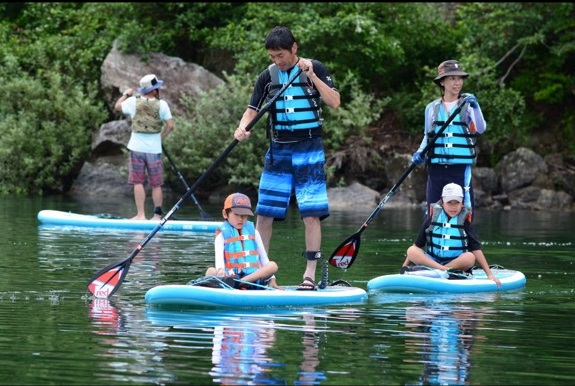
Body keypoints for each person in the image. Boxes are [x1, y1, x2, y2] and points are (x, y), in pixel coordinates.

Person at [233, 25, 341, 291]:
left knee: (311, 214)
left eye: (281, 55)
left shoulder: (315, 68)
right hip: (278, 150)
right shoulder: (267, 77)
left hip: (308, 149)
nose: (277, 61)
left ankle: (309, 275)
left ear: (294, 48)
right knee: (264, 213)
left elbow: (334, 101)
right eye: (272, 56)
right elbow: (251, 110)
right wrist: (242, 127)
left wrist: (312, 76)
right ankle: (261, 272)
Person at [411, 60, 486, 221]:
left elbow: (480, 128)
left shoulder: (468, 104)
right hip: (436, 168)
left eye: (459, 78)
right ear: (442, 82)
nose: (457, 82)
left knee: (464, 213)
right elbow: (427, 135)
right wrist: (419, 152)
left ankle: (466, 244)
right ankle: (428, 244)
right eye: (452, 78)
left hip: (460, 169)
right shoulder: (431, 108)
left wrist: (476, 107)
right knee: (432, 213)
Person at [402, 183, 501, 287]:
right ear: (442, 203)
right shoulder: (431, 220)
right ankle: (442, 271)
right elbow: (417, 246)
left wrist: (490, 275)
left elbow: (476, 250)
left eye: (456, 203)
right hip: (432, 262)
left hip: (456, 265)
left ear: (462, 203)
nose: (453, 207)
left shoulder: (465, 223)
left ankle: (441, 271)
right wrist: (404, 268)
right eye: (449, 202)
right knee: (411, 250)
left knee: (470, 257)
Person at [114, 74, 174, 221]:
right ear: (154, 91)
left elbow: (117, 107)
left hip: (136, 148)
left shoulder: (133, 102)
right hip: (154, 149)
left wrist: (126, 94)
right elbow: (170, 126)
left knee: (138, 182)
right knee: (156, 183)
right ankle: (157, 216)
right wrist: (161, 137)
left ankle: (140, 215)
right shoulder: (162, 105)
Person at [205, 193, 281, 290]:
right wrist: (221, 271)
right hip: (229, 277)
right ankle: (227, 284)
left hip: (253, 278)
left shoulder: (254, 233)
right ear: (225, 214)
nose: (241, 219)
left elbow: (264, 260)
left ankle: (242, 283)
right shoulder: (221, 235)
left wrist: (272, 279)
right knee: (211, 271)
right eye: (236, 214)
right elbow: (219, 260)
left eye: (244, 215)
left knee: (272, 266)